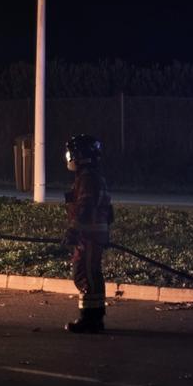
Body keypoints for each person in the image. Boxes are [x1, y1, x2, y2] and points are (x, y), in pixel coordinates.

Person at [62, 134, 114, 333]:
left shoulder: (88, 178)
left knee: (85, 274)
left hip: (89, 235)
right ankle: (94, 317)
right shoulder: (91, 177)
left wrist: (74, 229)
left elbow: (84, 206)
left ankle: (90, 319)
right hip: (92, 234)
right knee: (90, 274)